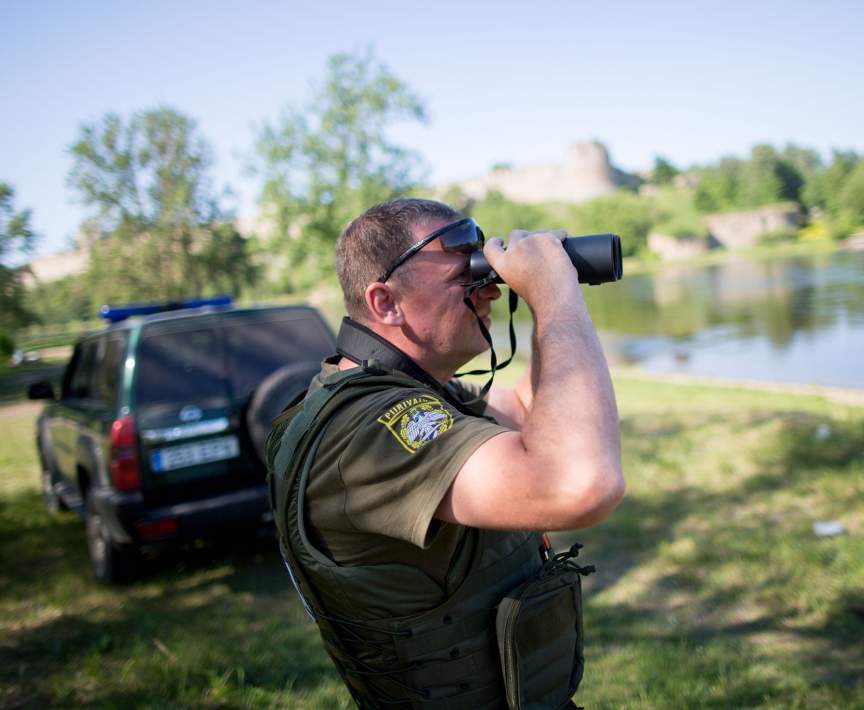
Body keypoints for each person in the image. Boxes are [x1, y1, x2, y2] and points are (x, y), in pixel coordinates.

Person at [266, 198, 624, 709]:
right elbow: (580, 485)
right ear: (385, 302)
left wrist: (552, 286)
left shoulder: (410, 392)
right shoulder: (366, 428)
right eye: (467, 273)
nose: (490, 288)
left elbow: (529, 410)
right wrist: (557, 298)